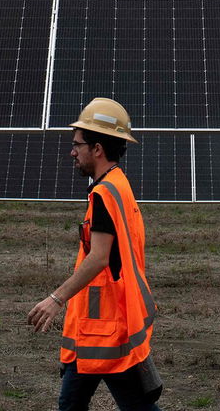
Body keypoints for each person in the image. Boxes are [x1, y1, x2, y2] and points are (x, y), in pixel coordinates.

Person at [27, 97, 163, 411]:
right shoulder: (119, 186)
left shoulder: (104, 193)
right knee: (71, 403)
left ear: (97, 148)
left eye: (78, 144)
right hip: (95, 324)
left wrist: (55, 299)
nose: (72, 151)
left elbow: (100, 257)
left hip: (106, 326)